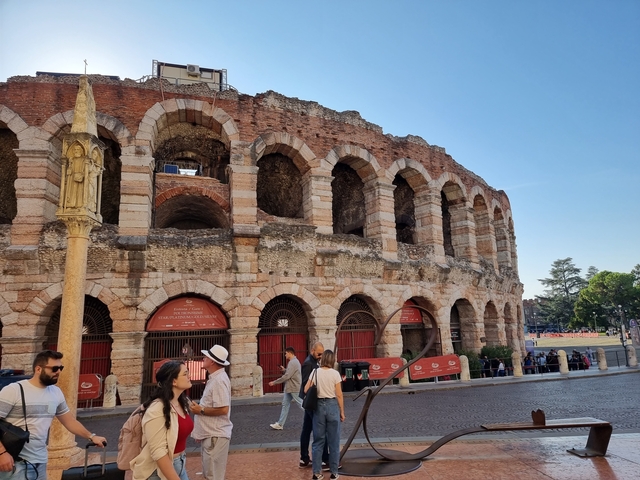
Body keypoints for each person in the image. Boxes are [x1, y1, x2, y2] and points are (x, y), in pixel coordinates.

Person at [0, 350, 107, 480]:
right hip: (14, 463)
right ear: (38, 369)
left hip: (40, 461)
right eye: (54, 368)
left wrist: (91, 436)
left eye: (60, 368)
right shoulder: (14, 390)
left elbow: (69, 421)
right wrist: (2, 453)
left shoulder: (56, 392)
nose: (59, 372)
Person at [131, 360, 193, 480]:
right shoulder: (157, 409)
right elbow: (158, 452)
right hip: (157, 471)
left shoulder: (181, 402)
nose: (189, 376)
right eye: (185, 374)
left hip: (179, 463)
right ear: (174, 381)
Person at [190, 345, 232, 480]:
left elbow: (223, 409)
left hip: (215, 436)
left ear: (212, 361)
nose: (203, 358)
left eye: (206, 357)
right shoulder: (216, 378)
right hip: (212, 434)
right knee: (211, 474)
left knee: (212, 475)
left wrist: (200, 410)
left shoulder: (218, 381)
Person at [304, 350, 345, 480]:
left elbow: (305, 389)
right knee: (334, 441)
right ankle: (334, 472)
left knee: (318, 441)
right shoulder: (335, 374)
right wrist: (342, 412)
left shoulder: (315, 372)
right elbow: (339, 395)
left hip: (319, 408)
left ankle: (317, 473)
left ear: (322, 359)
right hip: (332, 406)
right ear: (332, 360)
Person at [299, 342, 328, 469]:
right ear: (312, 350)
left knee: (307, 429)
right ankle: (324, 459)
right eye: (319, 353)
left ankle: (304, 458)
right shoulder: (308, 363)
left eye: (322, 354)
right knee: (319, 429)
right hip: (311, 402)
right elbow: (306, 384)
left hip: (311, 402)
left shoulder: (314, 361)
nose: (321, 356)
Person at [269, 346, 302, 430]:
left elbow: (287, 376)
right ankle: (280, 424)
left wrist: (274, 382)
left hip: (293, 387)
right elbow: (289, 373)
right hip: (290, 388)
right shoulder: (294, 362)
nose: (285, 355)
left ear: (290, 353)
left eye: (286, 353)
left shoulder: (292, 362)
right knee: (285, 405)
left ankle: (315, 418)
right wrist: (284, 370)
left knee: (301, 404)